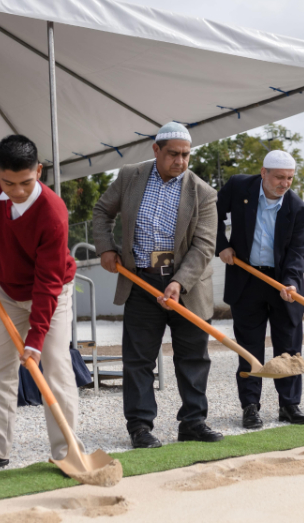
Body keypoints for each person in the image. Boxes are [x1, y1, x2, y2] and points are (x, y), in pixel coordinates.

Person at [0, 135, 82, 475]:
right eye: (8, 183)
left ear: (39, 171)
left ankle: (67, 451)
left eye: (26, 182)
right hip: (6, 291)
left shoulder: (53, 213)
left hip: (51, 293)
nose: (18, 191)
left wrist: (35, 342)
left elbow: (48, 284)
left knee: (55, 368)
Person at [93, 122, 222, 448]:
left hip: (187, 287)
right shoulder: (129, 177)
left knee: (193, 358)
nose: (180, 161)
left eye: (186, 155)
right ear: (156, 150)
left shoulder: (203, 193)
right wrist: (106, 248)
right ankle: (139, 427)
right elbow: (101, 211)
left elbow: (204, 246)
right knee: (138, 360)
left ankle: (193, 422)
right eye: (173, 154)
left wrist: (179, 282)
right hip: (140, 281)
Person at [216, 150, 304, 428]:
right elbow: (211, 214)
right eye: (279, 177)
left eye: (290, 178)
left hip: (283, 281)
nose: (284, 183)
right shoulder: (238, 186)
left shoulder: (299, 211)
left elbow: (297, 252)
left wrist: (291, 282)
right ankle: (250, 406)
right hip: (246, 278)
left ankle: (289, 405)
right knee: (249, 348)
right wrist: (221, 246)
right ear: (263, 173)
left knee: (289, 346)